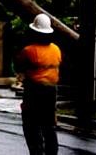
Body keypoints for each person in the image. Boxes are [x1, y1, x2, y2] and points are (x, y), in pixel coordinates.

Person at [15, 13, 62, 155]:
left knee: (31, 125)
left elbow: (19, 66)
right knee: (49, 126)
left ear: (35, 32)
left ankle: (37, 152)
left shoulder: (29, 51)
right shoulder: (56, 49)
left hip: (34, 91)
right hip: (51, 91)